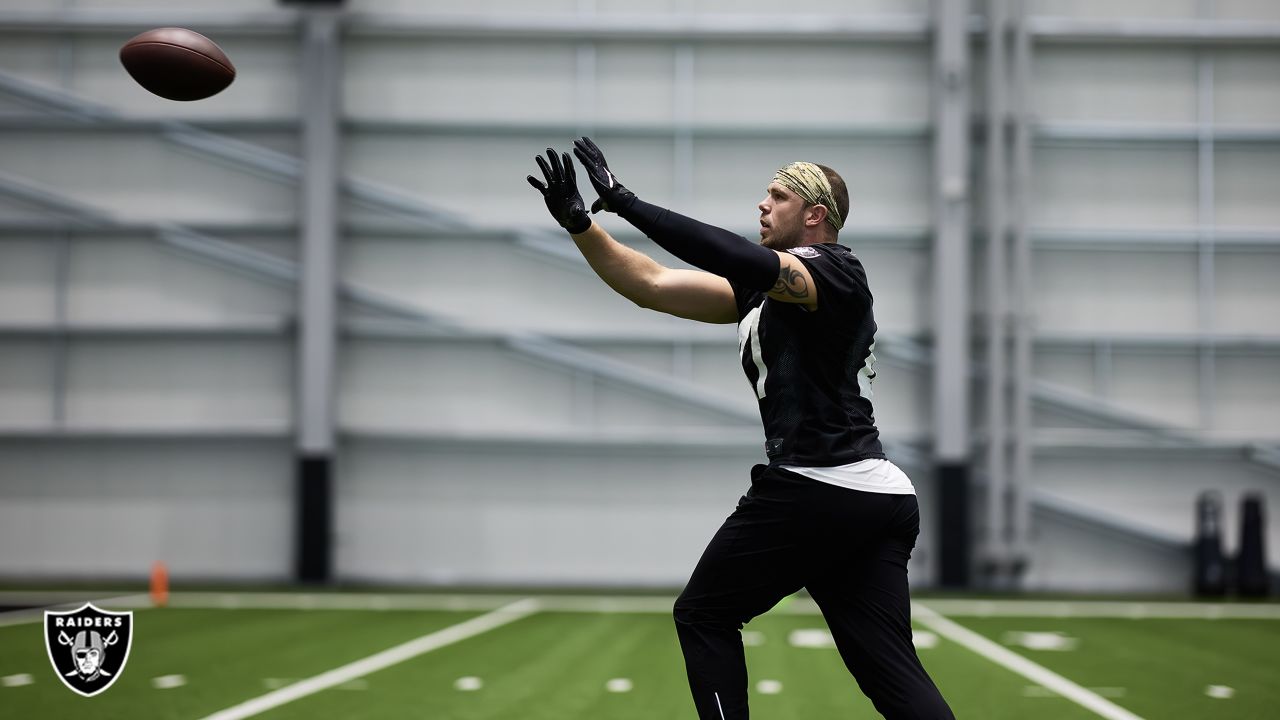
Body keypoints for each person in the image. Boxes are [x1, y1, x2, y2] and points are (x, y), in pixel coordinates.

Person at [526, 138, 953, 720]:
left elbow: (734, 257)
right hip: (871, 497)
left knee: (704, 613)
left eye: (777, 196)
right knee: (890, 674)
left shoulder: (837, 271)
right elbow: (651, 283)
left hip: (818, 486)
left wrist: (623, 201)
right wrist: (581, 226)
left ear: (814, 215)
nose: (762, 206)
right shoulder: (767, 289)